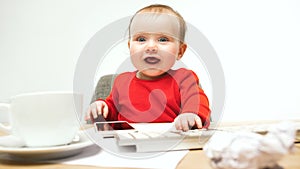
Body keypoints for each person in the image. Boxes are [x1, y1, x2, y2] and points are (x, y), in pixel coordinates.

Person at [85, 4, 211, 131]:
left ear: (180, 51)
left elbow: (197, 101)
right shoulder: (122, 82)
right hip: (130, 145)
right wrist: (101, 108)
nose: (151, 47)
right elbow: (112, 114)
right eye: (141, 39)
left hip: (171, 141)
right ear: (130, 47)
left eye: (163, 39)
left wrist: (190, 114)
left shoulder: (184, 78)